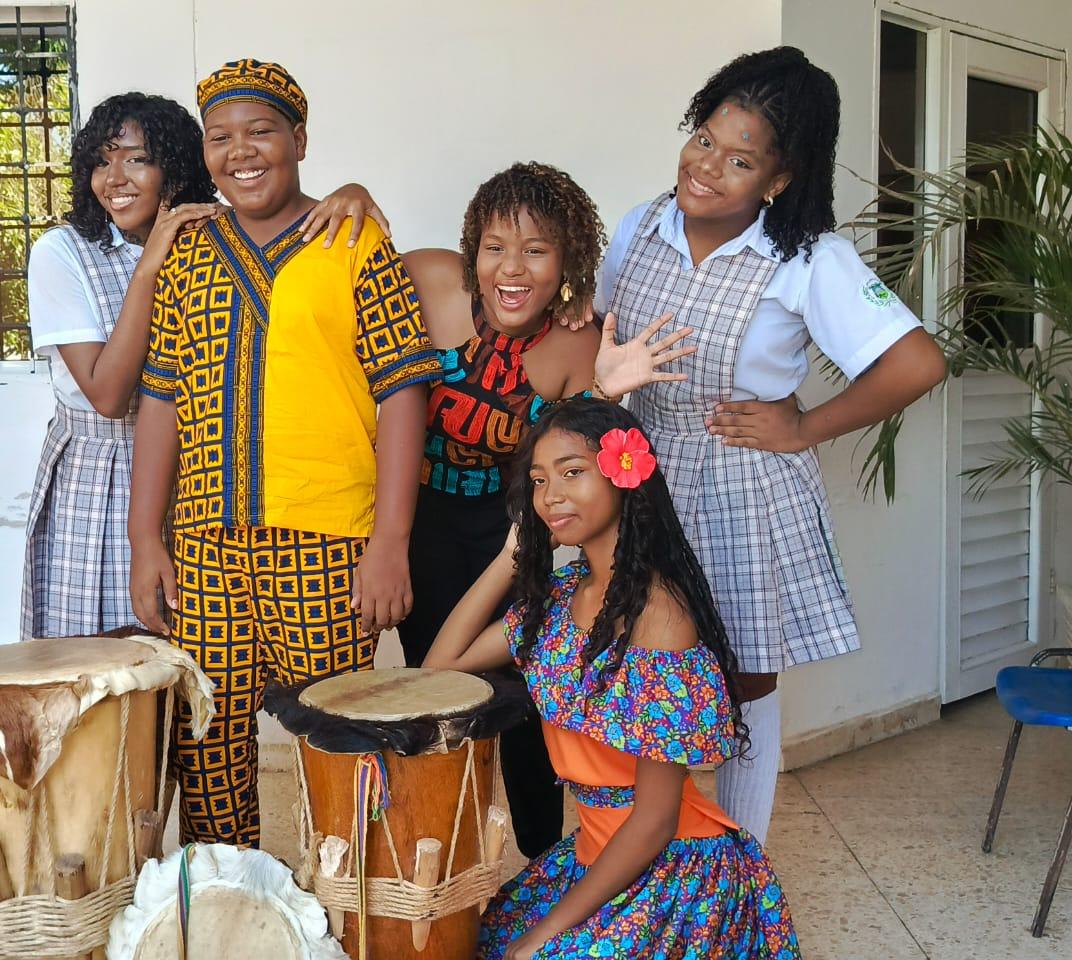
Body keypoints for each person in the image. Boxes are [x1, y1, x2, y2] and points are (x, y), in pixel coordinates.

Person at [593, 47, 947, 841]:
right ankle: (641, 859)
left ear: (778, 179)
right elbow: (601, 335)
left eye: (740, 160)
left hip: (741, 483)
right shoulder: (640, 226)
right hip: (640, 472)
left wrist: (804, 426)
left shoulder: (809, 259)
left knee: (743, 681)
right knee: (643, 669)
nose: (707, 167)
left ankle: (741, 864)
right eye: (704, 140)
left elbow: (919, 363)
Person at [127, 59, 441, 846]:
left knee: (341, 741)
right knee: (206, 743)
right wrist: (145, 540)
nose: (241, 152)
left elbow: (403, 393)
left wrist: (391, 542)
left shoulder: (354, 239)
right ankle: (232, 898)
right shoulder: (188, 252)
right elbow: (160, 397)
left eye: (260, 131)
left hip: (328, 543)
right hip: (205, 546)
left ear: (299, 139)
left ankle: (346, 899)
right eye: (220, 137)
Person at [425, 397, 799, 959]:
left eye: (572, 472)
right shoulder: (559, 598)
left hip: (673, 869)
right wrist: (511, 557)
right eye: (539, 480)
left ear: (624, 475)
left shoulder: (660, 617)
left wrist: (544, 933)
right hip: (595, 853)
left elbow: (655, 821)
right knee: (474, 943)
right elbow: (440, 668)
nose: (551, 495)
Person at [399, 162, 693, 857]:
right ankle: (438, 856)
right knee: (431, 692)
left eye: (537, 250)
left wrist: (606, 391)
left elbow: (568, 457)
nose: (512, 267)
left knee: (522, 695)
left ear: (566, 261)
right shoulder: (427, 280)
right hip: (418, 520)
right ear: (471, 249)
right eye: (495, 247)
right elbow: (343, 271)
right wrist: (353, 196)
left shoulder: (577, 344)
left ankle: (541, 856)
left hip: (506, 526)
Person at [21, 92, 381, 640]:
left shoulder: (206, 238)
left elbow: (281, 222)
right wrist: (149, 266)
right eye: (100, 161)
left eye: (137, 159)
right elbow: (109, 395)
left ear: (175, 167)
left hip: (198, 480)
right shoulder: (63, 251)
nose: (114, 178)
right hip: (98, 477)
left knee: (181, 664)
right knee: (98, 661)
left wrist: (353, 191)